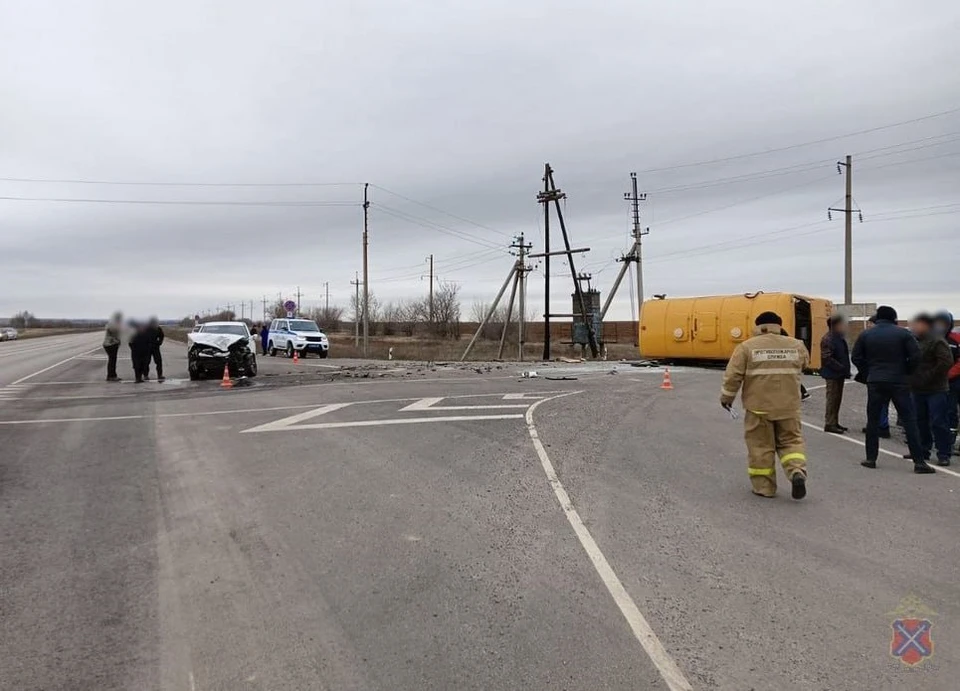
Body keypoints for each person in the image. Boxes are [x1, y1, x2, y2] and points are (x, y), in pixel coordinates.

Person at [721, 311, 810, 500]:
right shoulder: (797, 345)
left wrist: (727, 398)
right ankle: (796, 472)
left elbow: (733, 376)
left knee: (760, 447)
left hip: (758, 408)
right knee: (791, 442)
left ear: (757, 326)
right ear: (779, 325)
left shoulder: (746, 347)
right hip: (789, 407)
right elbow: (804, 365)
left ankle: (764, 487)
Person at [851, 306, 934, 473]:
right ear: (894, 318)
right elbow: (916, 356)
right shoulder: (903, 334)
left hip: (875, 381)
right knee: (909, 421)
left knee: (873, 420)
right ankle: (919, 462)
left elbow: (856, 357)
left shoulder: (866, 334)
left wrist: (869, 372)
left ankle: (870, 458)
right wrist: (907, 372)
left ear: (878, 317)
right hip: (899, 381)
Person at [908, 314, 953, 466]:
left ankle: (943, 453)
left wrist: (928, 376)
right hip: (917, 389)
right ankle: (922, 450)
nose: (915, 327)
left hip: (936, 389)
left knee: (938, 421)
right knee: (920, 421)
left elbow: (946, 362)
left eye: (918, 324)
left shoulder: (937, 340)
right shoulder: (913, 340)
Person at [933, 311, 960, 451]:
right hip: (938, 382)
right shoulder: (932, 339)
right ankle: (942, 440)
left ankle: (950, 439)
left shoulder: (956, 339)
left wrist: (948, 374)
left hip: (954, 381)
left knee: (951, 412)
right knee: (941, 411)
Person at [820, 315, 851, 433]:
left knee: (837, 399)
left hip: (839, 374)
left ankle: (834, 422)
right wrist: (841, 368)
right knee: (832, 399)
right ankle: (829, 423)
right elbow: (827, 357)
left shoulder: (839, 337)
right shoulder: (828, 338)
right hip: (832, 374)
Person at [103, 312, 123, 382]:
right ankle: (111, 376)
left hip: (111, 344)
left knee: (112, 360)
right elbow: (114, 332)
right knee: (112, 360)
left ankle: (112, 375)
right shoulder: (113, 324)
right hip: (111, 344)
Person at [145, 317, 165, 382]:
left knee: (158, 361)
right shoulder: (146, 329)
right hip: (147, 347)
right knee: (146, 362)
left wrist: (159, 342)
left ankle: (160, 375)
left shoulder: (158, 328)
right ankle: (145, 375)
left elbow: (161, 336)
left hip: (155, 347)